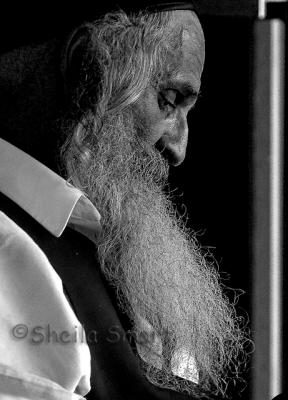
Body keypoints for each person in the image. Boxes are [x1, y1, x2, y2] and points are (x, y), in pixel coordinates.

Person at [0, 2, 249, 399]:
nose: (178, 147)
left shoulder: (117, 250)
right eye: (170, 98)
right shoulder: (7, 258)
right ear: (87, 70)